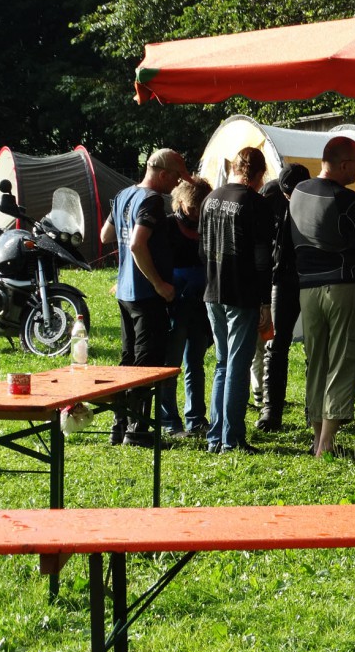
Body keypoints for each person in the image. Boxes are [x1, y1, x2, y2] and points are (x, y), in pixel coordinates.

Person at [290, 136, 355, 456]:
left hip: (307, 290)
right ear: (343, 165)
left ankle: (317, 437)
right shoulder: (348, 199)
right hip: (343, 286)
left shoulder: (297, 192)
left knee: (317, 361)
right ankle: (327, 443)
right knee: (345, 359)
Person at [100, 148, 185, 447]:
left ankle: (119, 424)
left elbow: (105, 235)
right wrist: (160, 284)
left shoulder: (124, 194)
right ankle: (138, 431)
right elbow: (137, 244)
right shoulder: (151, 201)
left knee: (127, 359)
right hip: (146, 294)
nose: (177, 184)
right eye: (176, 177)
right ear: (163, 174)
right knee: (146, 364)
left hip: (124, 292)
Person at [198, 147, 273, 454]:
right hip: (242, 293)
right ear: (258, 174)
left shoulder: (210, 199)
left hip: (212, 290)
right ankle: (233, 438)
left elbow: (202, 249)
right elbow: (261, 259)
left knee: (221, 364)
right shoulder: (256, 203)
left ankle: (216, 435)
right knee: (237, 366)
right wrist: (265, 301)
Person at [157, 175, 213, 438]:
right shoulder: (167, 227)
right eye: (192, 208)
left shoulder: (207, 226)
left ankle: (196, 419)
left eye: (201, 209)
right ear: (179, 202)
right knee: (171, 364)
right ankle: (170, 422)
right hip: (176, 303)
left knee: (196, 363)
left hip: (201, 304)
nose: (196, 214)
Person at [257, 163, 311, 431]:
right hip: (282, 277)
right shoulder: (271, 196)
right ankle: (271, 410)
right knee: (276, 345)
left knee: (314, 347)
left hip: (309, 277)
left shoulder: (314, 197)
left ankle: (313, 412)